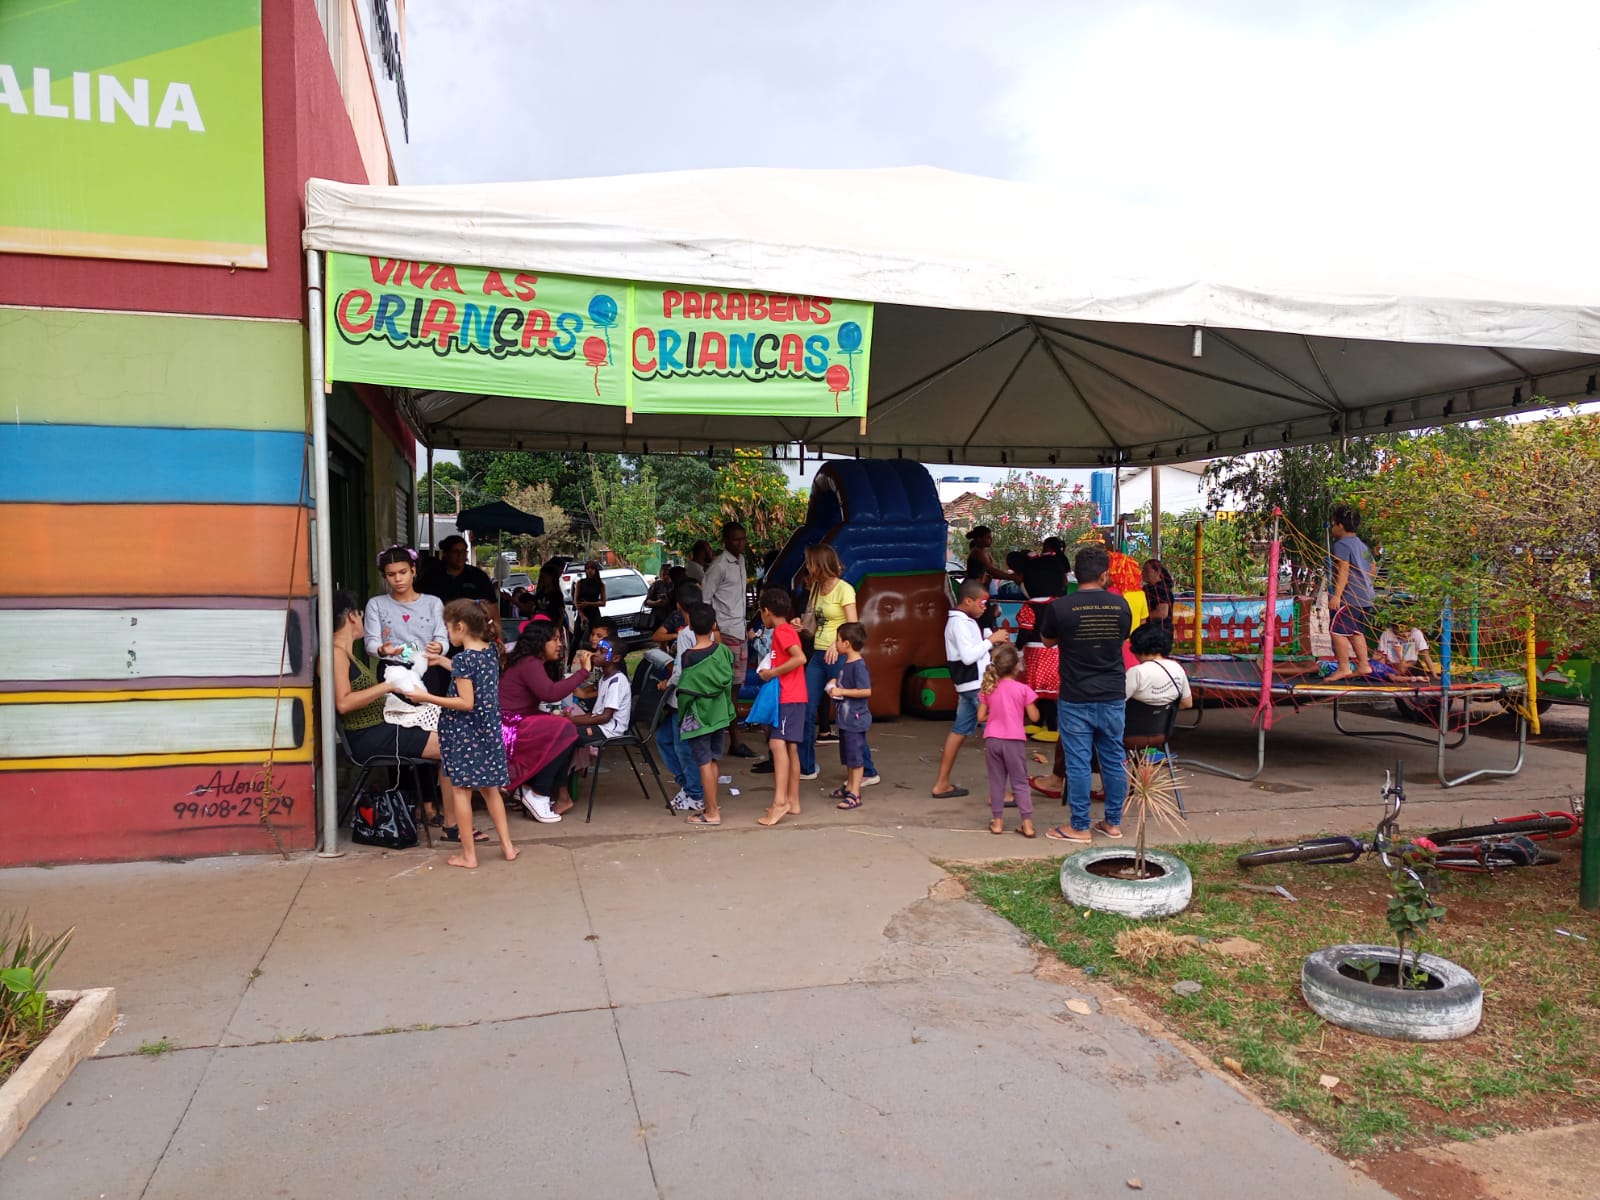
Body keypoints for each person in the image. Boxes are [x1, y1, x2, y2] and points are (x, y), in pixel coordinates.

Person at [331, 589, 449, 830]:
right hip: (367, 737)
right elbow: (343, 703)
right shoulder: (336, 654)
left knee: (450, 737)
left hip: (379, 728)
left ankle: (450, 818)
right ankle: (454, 825)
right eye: (360, 614)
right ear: (353, 616)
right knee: (452, 746)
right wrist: (388, 685)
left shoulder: (345, 653)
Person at [1040, 544, 1132, 844]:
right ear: (1105, 575)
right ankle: (1113, 823)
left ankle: (1079, 827)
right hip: (1113, 694)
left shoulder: (1060, 607)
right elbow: (1121, 638)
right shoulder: (1121, 606)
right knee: (1113, 758)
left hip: (1076, 695)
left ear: (1074, 575)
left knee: (1078, 762)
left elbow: (1048, 641)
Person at [433, 599, 518, 869]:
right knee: (490, 789)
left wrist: (428, 697)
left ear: (460, 626)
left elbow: (466, 701)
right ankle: (507, 847)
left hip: (464, 735)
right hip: (488, 732)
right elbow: (471, 674)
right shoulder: (490, 651)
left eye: (448, 628)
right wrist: (442, 661)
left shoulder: (463, 659)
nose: (447, 633)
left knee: (461, 792)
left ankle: (469, 855)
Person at [795, 543, 880, 787]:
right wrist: (801, 626)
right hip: (818, 655)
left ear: (820, 564)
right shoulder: (815, 589)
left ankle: (868, 771)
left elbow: (853, 627)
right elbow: (813, 626)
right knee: (805, 708)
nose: (808, 566)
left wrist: (836, 644)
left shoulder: (845, 590)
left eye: (810, 562)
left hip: (839, 657)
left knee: (848, 713)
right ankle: (807, 766)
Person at [499, 621, 591, 822]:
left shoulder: (530, 661)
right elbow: (549, 693)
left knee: (567, 730)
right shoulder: (529, 663)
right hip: (508, 726)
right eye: (555, 639)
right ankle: (539, 793)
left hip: (515, 720)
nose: (559, 644)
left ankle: (534, 788)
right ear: (540, 641)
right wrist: (583, 673)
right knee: (565, 728)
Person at [930, 580, 1012, 799]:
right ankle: (1001, 793)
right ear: (968, 601)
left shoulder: (963, 621)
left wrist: (988, 641)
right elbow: (968, 656)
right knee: (997, 736)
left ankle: (942, 783)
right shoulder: (961, 623)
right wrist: (990, 641)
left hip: (969, 686)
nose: (984, 607)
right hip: (977, 686)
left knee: (959, 730)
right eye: (982, 602)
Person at [676, 603, 735, 826]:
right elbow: (728, 685)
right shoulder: (723, 652)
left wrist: (682, 717)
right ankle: (711, 804)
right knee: (712, 760)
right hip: (719, 715)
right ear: (714, 625)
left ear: (689, 626)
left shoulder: (688, 657)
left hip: (699, 718)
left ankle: (712, 813)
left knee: (703, 763)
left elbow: (685, 693)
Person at [756, 589, 808, 827]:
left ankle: (780, 802)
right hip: (795, 695)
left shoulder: (781, 631)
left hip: (788, 695)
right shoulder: (786, 630)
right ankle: (793, 800)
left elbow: (799, 658)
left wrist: (771, 673)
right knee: (790, 747)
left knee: (777, 744)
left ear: (766, 611)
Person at [365, 546, 449, 692]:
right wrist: (381, 649)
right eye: (391, 574)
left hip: (426, 669)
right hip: (391, 671)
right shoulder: (376, 604)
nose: (398, 579)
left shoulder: (433, 603)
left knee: (429, 712)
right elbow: (370, 643)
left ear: (413, 570)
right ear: (384, 576)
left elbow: (443, 639)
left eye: (403, 572)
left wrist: (440, 647)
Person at [703, 522, 755, 756]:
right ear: (725, 541)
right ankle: (733, 741)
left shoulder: (741, 561)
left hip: (740, 630)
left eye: (743, 539)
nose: (741, 543)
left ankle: (733, 740)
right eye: (736, 540)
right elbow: (705, 600)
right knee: (729, 690)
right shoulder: (719, 566)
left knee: (736, 687)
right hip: (726, 633)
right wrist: (715, 632)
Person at [655, 582, 707, 813]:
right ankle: (688, 787)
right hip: (691, 698)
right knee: (665, 739)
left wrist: (667, 682)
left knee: (681, 746)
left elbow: (681, 669)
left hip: (684, 699)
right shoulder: (705, 629)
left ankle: (695, 793)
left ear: (678, 605)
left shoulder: (687, 634)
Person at [978, 643, 1040, 839]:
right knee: (1020, 782)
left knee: (997, 782)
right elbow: (1035, 717)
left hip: (993, 739)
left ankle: (997, 823)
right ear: (1016, 667)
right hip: (1014, 740)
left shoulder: (989, 689)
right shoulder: (1023, 689)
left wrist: (996, 716)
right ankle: (1027, 825)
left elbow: (980, 717)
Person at [825, 622, 873, 812]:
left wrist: (841, 690)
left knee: (856, 758)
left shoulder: (859, 665)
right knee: (848, 757)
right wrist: (834, 683)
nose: (835, 644)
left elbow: (866, 691)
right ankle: (849, 787)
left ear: (846, 644)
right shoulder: (848, 663)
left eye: (837, 640)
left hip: (855, 719)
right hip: (846, 720)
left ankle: (855, 792)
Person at [1327, 504, 1376, 682]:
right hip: (1366, 596)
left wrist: (1337, 595)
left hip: (1351, 597)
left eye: (1333, 524)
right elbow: (1372, 566)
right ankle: (1363, 665)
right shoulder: (1362, 545)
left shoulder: (1341, 544)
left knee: (1337, 631)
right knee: (1356, 631)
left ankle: (1344, 667)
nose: (1332, 528)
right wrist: (1365, 582)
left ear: (1340, 525)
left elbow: (1344, 570)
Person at [1125, 624, 1193, 709]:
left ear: (1136, 647)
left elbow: (1116, 702)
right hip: (1165, 721)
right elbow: (1187, 703)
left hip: (1134, 720)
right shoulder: (1177, 668)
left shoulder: (1136, 672)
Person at [419, 534, 498, 607]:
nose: (460, 555)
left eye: (463, 551)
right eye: (455, 551)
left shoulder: (478, 576)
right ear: (446, 554)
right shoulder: (431, 577)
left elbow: (491, 605)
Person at [571, 561, 607, 657]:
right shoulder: (580, 583)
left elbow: (603, 602)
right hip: (582, 613)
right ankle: (569, 663)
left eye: (592, 568)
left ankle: (597, 660)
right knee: (576, 638)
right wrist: (582, 616)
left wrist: (589, 604)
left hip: (594, 613)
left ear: (595, 570)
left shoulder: (600, 584)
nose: (589, 571)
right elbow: (576, 601)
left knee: (597, 639)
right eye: (587, 568)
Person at [1142, 559, 1176, 632]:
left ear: (1157, 571)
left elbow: (1162, 613)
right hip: (1149, 630)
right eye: (1143, 570)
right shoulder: (1147, 588)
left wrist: (1142, 616)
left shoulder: (1162, 588)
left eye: (1146, 571)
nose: (1143, 573)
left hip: (1160, 632)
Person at [643, 567, 675, 631]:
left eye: (668, 574)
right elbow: (646, 602)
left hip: (673, 618)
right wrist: (656, 603)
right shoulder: (656, 585)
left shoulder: (675, 585)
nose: (666, 577)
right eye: (664, 574)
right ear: (660, 575)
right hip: (658, 619)